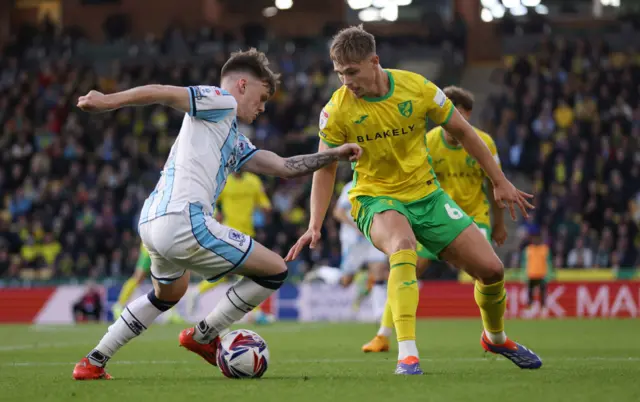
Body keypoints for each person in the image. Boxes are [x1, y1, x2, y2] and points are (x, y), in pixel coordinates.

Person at [72, 48, 362, 380]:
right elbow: (162, 93)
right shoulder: (220, 100)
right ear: (242, 85)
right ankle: (203, 335)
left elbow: (284, 167)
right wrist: (107, 101)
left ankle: (93, 361)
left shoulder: (229, 137)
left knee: (167, 294)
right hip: (184, 220)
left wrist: (334, 154)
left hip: (153, 220)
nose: (263, 106)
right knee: (275, 271)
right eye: (262, 96)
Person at [286, 26, 541, 375]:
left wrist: (499, 182)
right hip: (375, 197)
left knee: (492, 270)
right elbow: (325, 168)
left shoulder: (417, 88)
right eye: (340, 73)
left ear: (374, 62)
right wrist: (314, 223)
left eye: (352, 71)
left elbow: (464, 131)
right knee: (402, 245)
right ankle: (407, 353)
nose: (346, 81)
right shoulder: (337, 111)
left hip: (427, 195)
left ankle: (495, 337)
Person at [362, 86, 507, 352]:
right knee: (406, 268)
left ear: (468, 115)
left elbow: (492, 185)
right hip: (434, 217)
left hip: (474, 218)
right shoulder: (428, 141)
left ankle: (492, 334)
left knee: (486, 272)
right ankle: (382, 335)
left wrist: (498, 223)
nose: (451, 125)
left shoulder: (483, 143)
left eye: (459, 116)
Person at [186, 171, 274, 324]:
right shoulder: (224, 183)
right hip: (229, 234)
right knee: (249, 273)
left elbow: (264, 203)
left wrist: (265, 208)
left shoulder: (254, 181)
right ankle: (256, 313)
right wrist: (216, 214)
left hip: (247, 233)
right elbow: (212, 202)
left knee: (228, 273)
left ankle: (198, 291)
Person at [333, 180, 388, 318]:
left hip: (373, 237)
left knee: (379, 270)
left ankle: (379, 313)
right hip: (353, 240)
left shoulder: (381, 184)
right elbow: (338, 212)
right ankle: (323, 274)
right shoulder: (351, 186)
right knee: (346, 281)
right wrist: (356, 228)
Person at [111, 244, 184, 324]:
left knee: (170, 276)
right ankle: (119, 305)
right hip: (150, 244)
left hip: (163, 244)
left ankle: (171, 312)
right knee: (138, 277)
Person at [521, 229, 553, 316]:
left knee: (543, 294)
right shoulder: (528, 250)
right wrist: (524, 275)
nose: (535, 240)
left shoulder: (545, 249)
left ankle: (543, 310)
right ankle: (530, 310)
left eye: (537, 238)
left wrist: (549, 275)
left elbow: (549, 263)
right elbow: (524, 263)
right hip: (531, 275)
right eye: (534, 238)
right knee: (530, 294)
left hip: (542, 275)